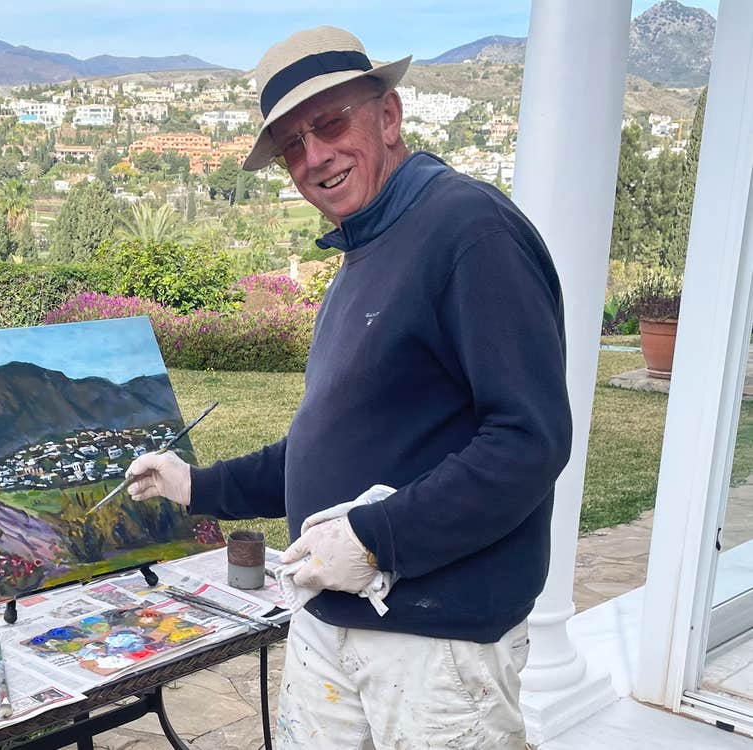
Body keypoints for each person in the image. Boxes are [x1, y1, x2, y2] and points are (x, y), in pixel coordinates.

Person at [126, 26, 570, 749]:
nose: (314, 157)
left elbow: (530, 439)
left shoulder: (468, 230)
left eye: (329, 124)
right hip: (331, 618)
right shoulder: (365, 251)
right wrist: (193, 485)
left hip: (434, 643)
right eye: (293, 146)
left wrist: (374, 540)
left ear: (387, 116)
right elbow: (324, 445)